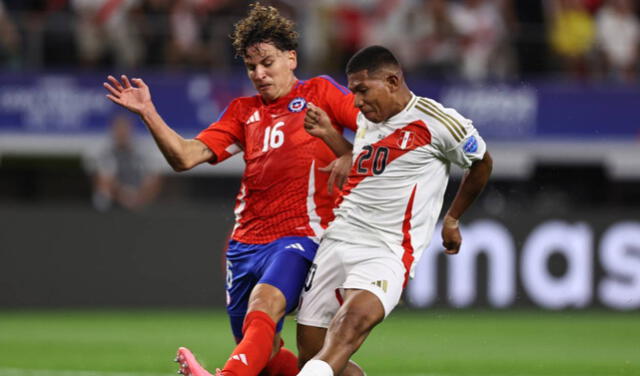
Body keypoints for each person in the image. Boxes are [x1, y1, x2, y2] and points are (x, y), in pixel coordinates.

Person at [102, 3, 361, 376]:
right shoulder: (243, 112)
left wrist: (350, 152)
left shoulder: (320, 92)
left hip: (301, 235)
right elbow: (185, 158)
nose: (259, 73)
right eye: (251, 67)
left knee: (266, 302)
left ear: (291, 58)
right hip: (244, 246)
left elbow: (373, 120)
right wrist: (149, 114)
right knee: (271, 354)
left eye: (267, 63)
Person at [296, 45, 493, 376]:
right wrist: (331, 135)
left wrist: (453, 218)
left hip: (386, 250)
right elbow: (367, 168)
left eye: (362, 90)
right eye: (353, 92)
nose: (356, 102)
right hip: (338, 239)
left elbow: (482, 164)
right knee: (314, 354)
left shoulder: (438, 122)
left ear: (391, 80)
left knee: (351, 324)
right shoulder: (366, 120)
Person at [88, 113, 162, 212]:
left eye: (124, 128)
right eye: (118, 129)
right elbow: (104, 180)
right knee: (102, 193)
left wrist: (139, 197)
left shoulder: (143, 151)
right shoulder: (105, 152)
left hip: (140, 196)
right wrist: (124, 196)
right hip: (116, 199)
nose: (122, 132)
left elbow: (154, 177)